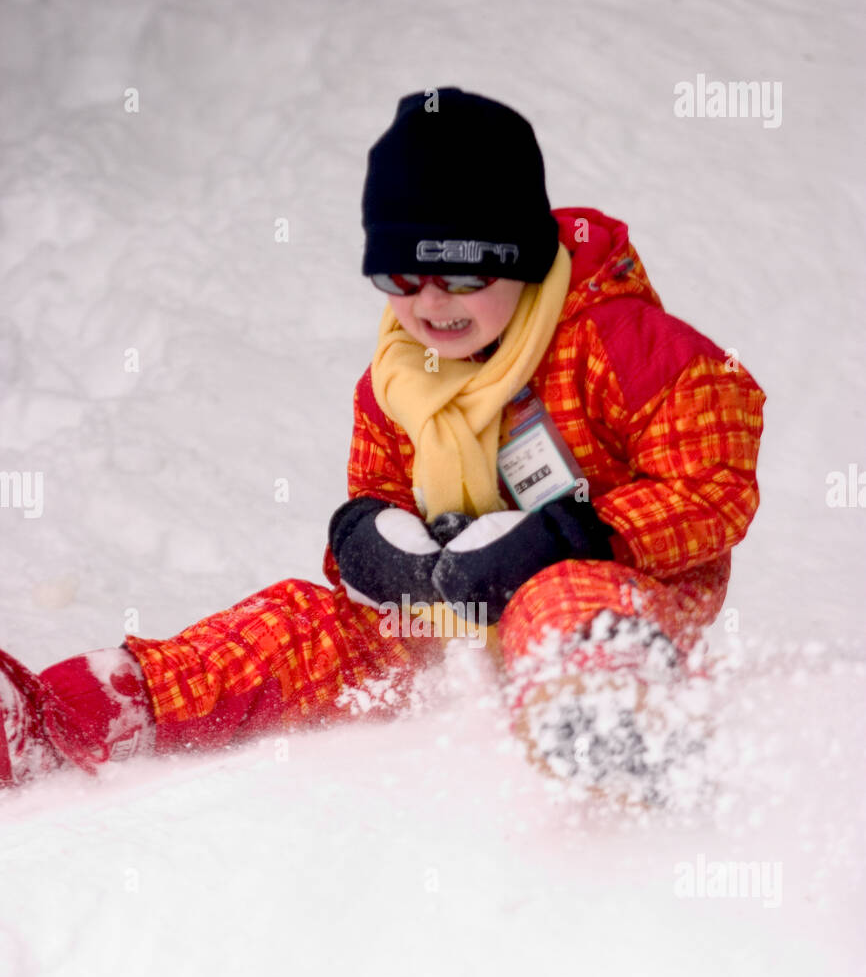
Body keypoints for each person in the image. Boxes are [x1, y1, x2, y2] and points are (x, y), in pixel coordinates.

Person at [0, 87, 764, 793]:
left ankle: (610, 722)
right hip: (444, 613)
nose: (430, 305)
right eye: (401, 279)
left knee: (559, 595)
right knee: (299, 624)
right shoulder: (399, 378)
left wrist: (567, 537)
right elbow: (382, 492)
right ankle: (69, 717)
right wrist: (367, 539)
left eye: (461, 277)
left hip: (612, 595)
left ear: (521, 261)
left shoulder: (621, 345)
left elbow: (713, 487)